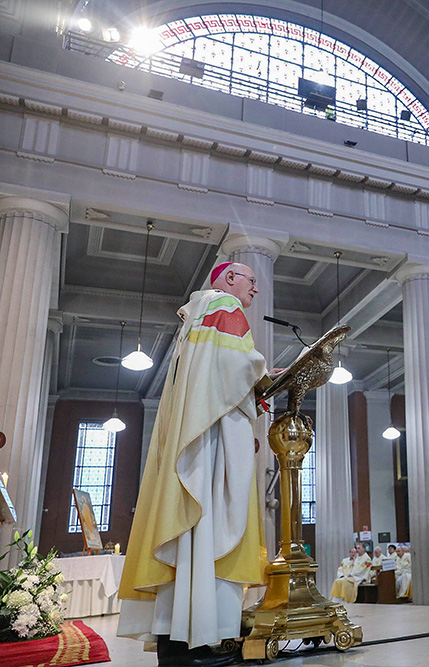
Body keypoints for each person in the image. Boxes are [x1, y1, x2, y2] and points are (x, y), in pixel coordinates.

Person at [118, 261, 271, 667]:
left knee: (192, 534)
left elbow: (213, 376)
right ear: (230, 279)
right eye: (252, 281)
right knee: (214, 522)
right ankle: (206, 638)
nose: (255, 290)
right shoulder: (224, 305)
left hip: (196, 433)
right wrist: (266, 376)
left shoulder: (196, 315)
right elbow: (237, 367)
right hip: (213, 438)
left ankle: (179, 634)